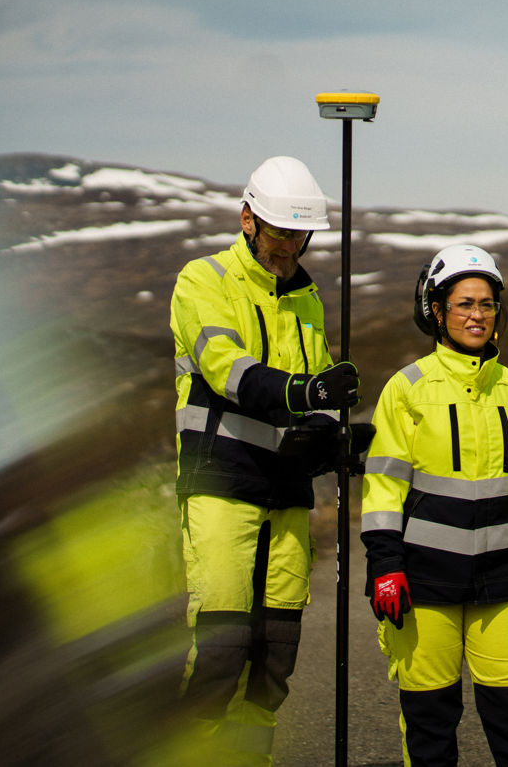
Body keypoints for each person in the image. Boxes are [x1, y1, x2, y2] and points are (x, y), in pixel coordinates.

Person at [169, 155, 361, 765]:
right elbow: (228, 370)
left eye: (300, 236)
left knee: (274, 658)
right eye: (279, 233)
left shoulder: (307, 300)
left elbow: (319, 391)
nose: (289, 247)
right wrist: (306, 394)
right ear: (247, 219)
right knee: (221, 649)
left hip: (287, 492)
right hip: (222, 483)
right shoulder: (203, 281)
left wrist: (334, 433)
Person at [360, 244, 508, 767]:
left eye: (487, 304)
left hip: (501, 581)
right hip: (423, 584)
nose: (477, 315)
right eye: (463, 304)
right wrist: (386, 566)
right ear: (436, 310)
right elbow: (384, 488)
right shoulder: (406, 389)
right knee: (430, 726)